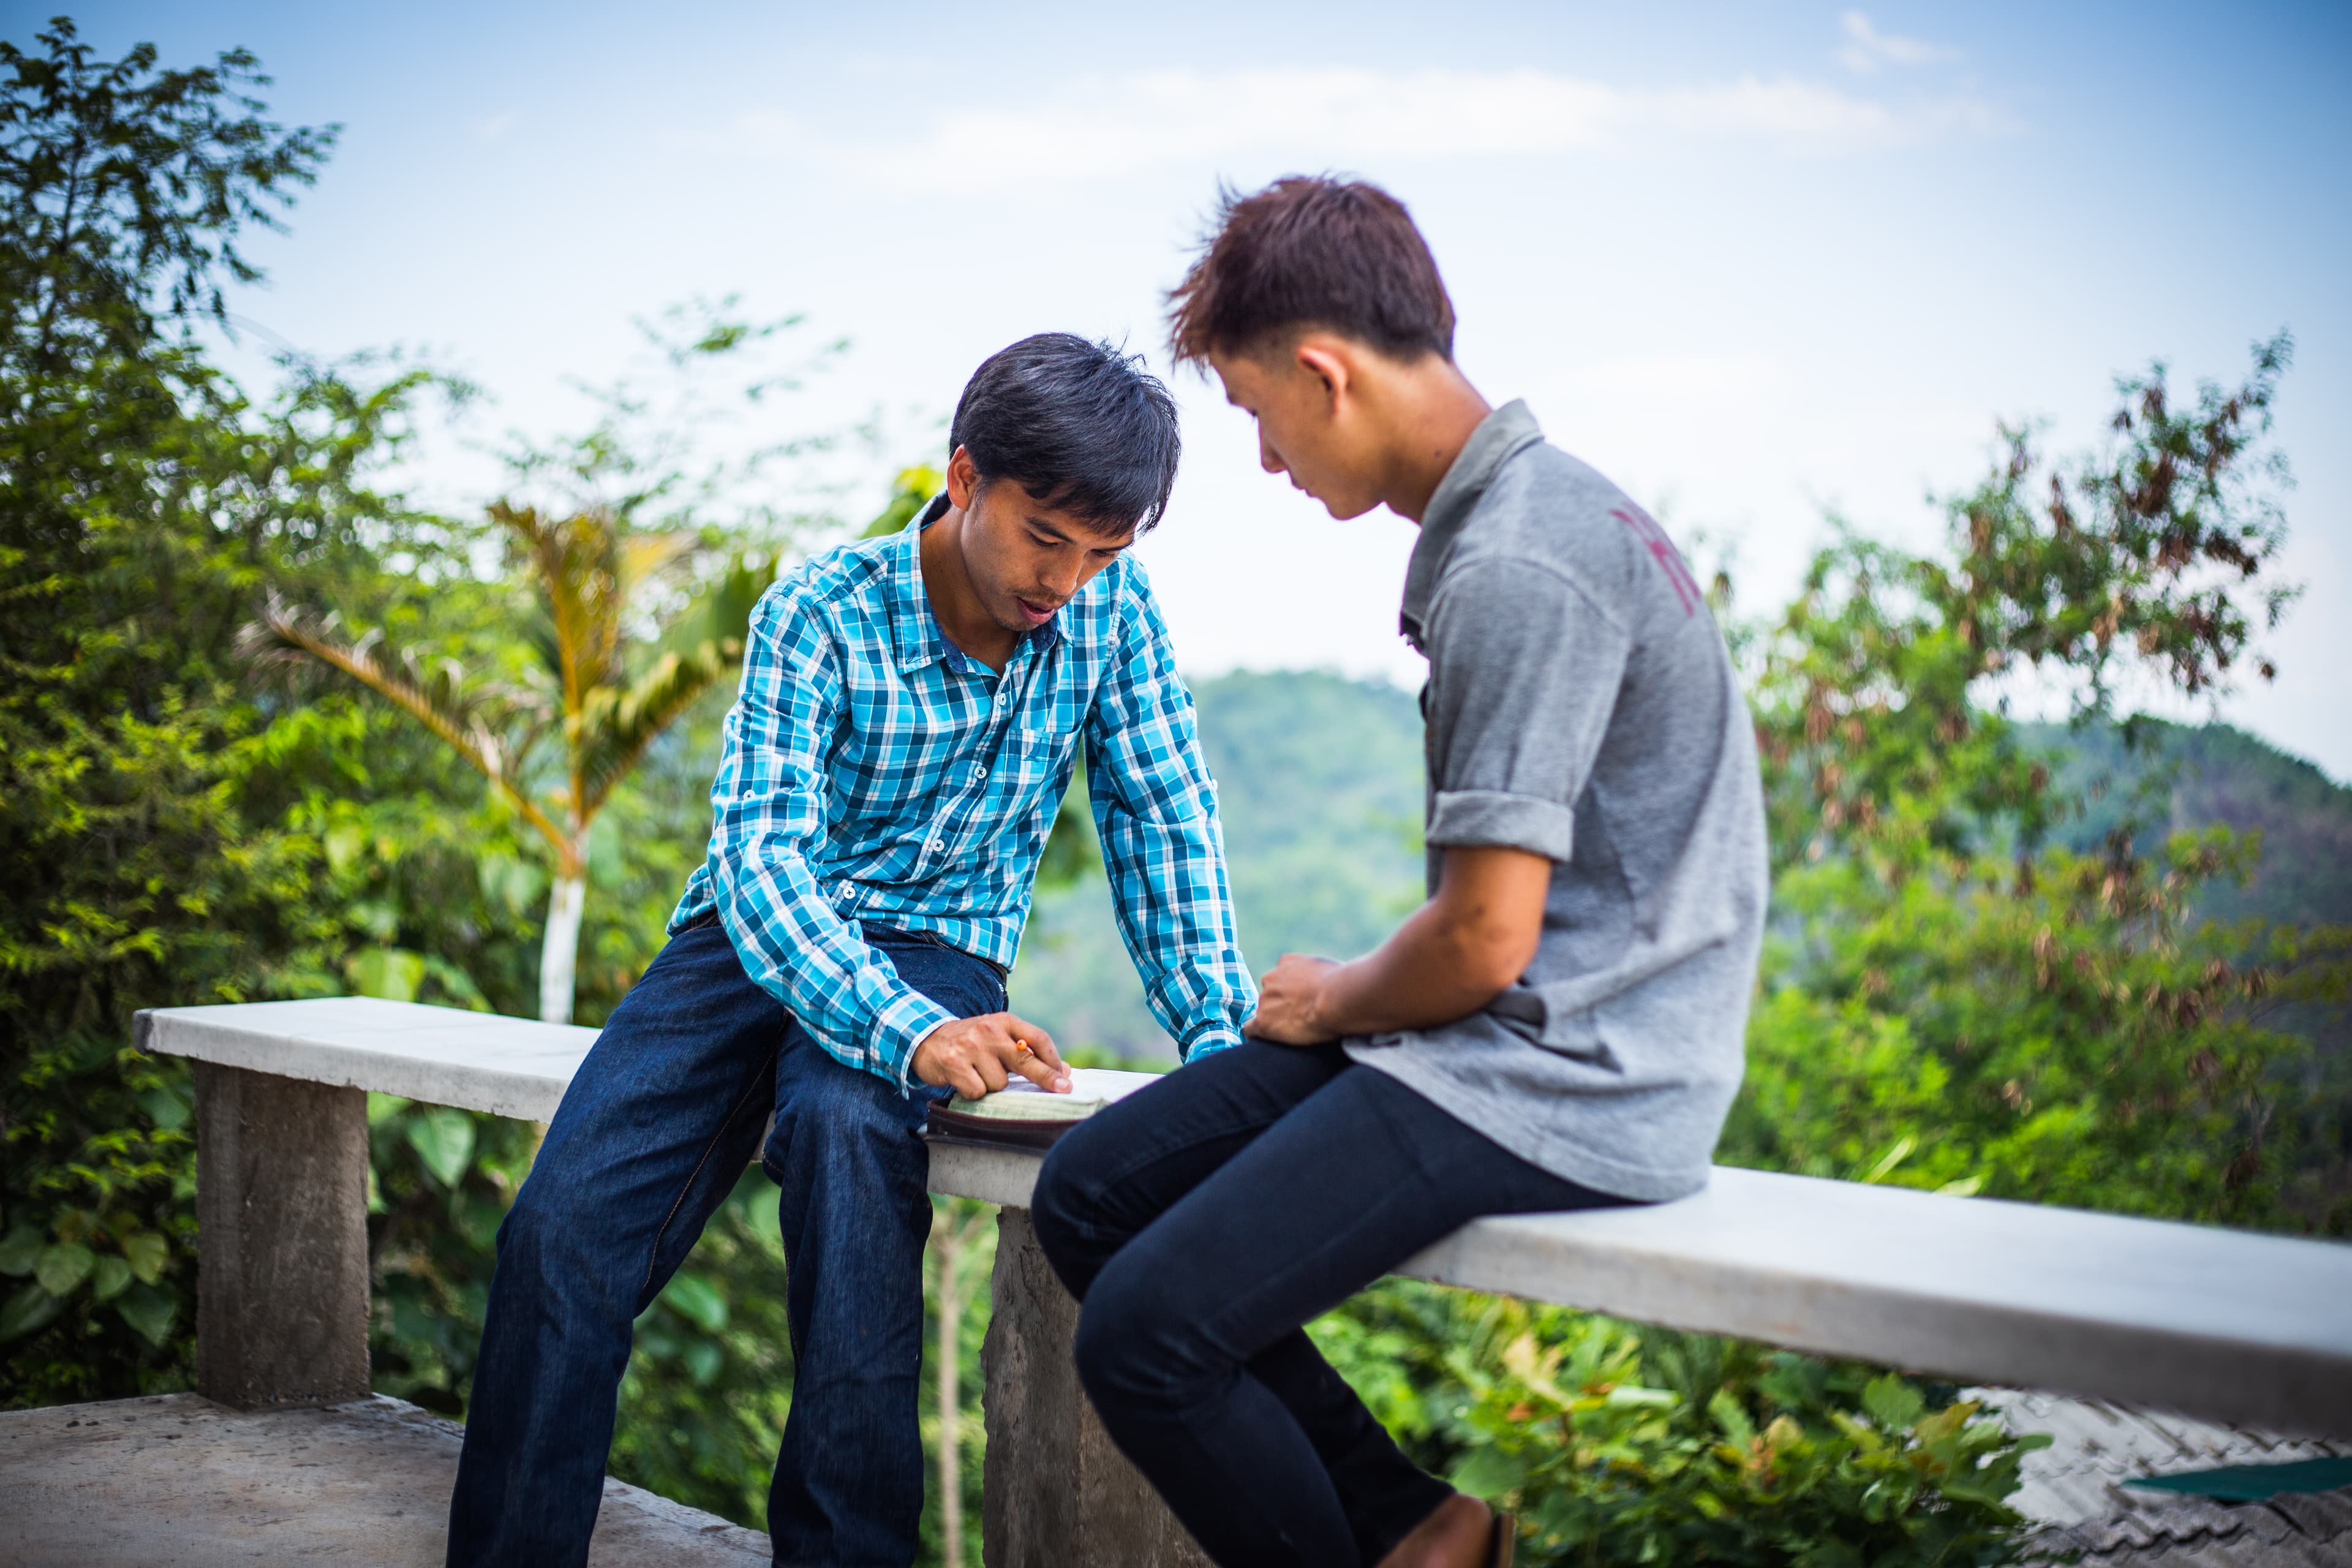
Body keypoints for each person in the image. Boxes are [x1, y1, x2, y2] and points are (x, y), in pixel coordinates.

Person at [1028, 178, 1770, 1568]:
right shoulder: (1531, 517)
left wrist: (1337, 995)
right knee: (1093, 1188)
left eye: (1255, 416)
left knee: (1146, 1337)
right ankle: (1418, 1522)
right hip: (1498, 1037)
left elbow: (1486, 939)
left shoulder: (1521, 562)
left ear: (1325, 372)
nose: (1262, 459)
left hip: (1577, 1073)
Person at [447, 333, 1256, 1568]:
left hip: (943, 944)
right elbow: (764, 863)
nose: (1070, 581)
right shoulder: (820, 610)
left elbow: (1164, 818)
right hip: (751, 937)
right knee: (562, 1231)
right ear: (967, 476)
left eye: (1104, 553)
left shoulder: (1111, 618)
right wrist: (903, 1028)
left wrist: (1221, 1048)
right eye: (1047, 536)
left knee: (846, 1132)